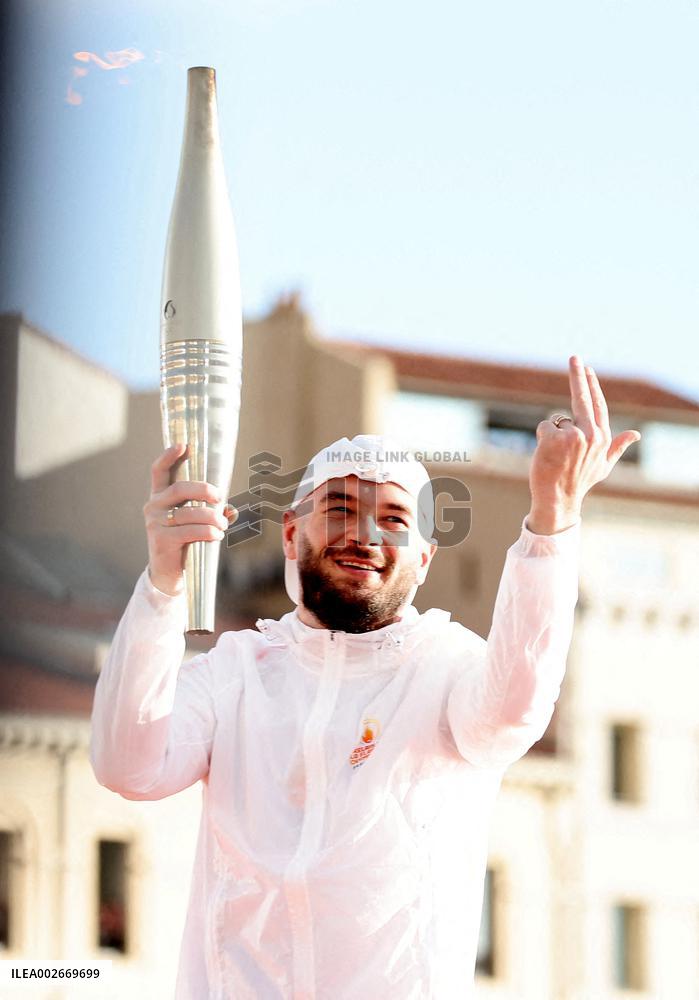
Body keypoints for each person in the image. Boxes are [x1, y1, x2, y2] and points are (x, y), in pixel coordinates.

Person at [90, 355, 640, 999]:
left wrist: (552, 518)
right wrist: (163, 584)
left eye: (396, 519)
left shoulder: (446, 668)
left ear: (426, 558)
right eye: (341, 508)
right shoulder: (237, 673)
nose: (364, 534)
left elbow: (511, 714)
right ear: (292, 534)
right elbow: (128, 765)